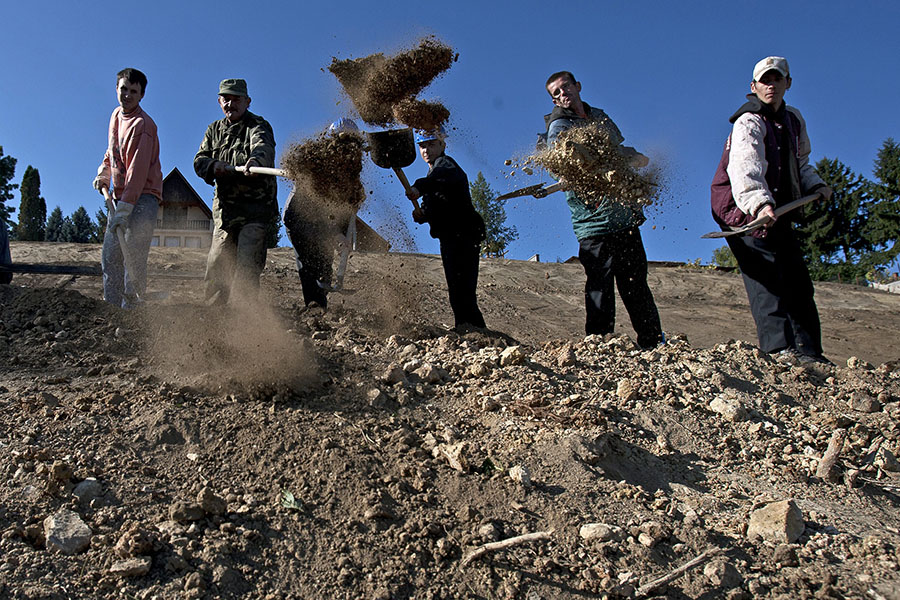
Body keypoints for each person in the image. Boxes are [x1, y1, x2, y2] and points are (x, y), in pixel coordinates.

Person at [710, 56, 833, 364]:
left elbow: (800, 162)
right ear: (754, 87)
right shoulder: (749, 121)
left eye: (777, 79)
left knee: (797, 280)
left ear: (787, 84)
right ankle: (779, 351)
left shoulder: (793, 120)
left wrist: (817, 186)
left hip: (777, 209)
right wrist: (759, 204)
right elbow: (745, 168)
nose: (771, 85)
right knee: (766, 279)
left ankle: (809, 352)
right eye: (765, 80)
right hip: (741, 209)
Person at [543, 70, 663, 349]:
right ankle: (598, 343)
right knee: (599, 284)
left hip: (622, 215)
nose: (563, 95)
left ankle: (653, 341)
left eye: (566, 87)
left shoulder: (601, 117)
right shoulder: (558, 127)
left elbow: (617, 149)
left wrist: (633, 157)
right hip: (593, 220)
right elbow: (558, 160)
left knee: (635, 282)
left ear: (578, 86)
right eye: (556, 93)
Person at [194, 78, 278, 305]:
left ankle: (245, 321)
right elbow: (199, 161)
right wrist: (214, 166)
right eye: (226, 99)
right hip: (225, 213)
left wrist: (255, 161)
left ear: (247, 101)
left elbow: (263, 148)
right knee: (218, 264)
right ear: (219, 101)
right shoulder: (214, 130)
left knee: (247, 266)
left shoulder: (258, 125)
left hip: (254, 210)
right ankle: (213, 317)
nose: (230, 104)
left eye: (236, 99)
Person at [93, 68, 162, 309]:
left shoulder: (143, 126)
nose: (127, 95)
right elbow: (112, 152)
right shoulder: (115, 116)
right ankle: (112, 310)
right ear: (116, 89)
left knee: (133, 254)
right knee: (110, 255)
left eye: (133, 91)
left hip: (143, 198)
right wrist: (104, 174)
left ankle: (132, 311)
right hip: (120, 196)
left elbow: (137, 173)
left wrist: (125, 210)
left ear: (142, 95)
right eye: (124, 89)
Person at [406, 128, 486, 331]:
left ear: (442, 145)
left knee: (463, 287)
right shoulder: (432, 171)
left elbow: (438, 181)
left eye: (431, 144)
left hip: (463, 235)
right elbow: (437, 202)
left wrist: (418, 187)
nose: (426, 150)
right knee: (457, 287)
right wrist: (423, 214)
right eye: (422, 146)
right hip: (451, 237)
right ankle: (466, 327)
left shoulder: (446, 165)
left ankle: (473, 328)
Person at [283, 118, 361, 311]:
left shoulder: (352, 174)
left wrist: (343, 236)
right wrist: (334, 234)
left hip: (327, 223)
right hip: (300, 218)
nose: (347, 150)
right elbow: (311, 210)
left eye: (352, 144)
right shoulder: (315, 161)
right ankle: (314, 305)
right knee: (309, 261)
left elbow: (345, 211)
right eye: (342, 143)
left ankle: (319, 307)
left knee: (324, 263)